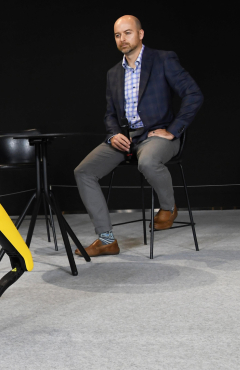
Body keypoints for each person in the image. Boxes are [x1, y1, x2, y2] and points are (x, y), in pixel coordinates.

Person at [73, 15, 203, 257]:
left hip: (158, 137)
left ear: (140, 34)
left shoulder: (163, 60)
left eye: (128, 33)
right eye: (117, 35)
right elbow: (110, 114)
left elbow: (193, 94)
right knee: (83, 172)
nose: (122, 39)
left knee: (148, 161)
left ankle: (168, 207)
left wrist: (173, 130)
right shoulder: (113, 73)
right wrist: (113, 135)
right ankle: (107, 240)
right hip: (126, 138)